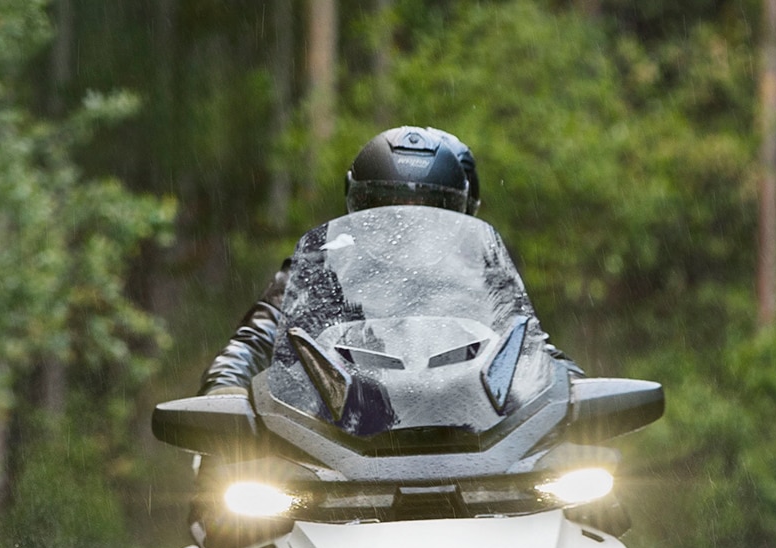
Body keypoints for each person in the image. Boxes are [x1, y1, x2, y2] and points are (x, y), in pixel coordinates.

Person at [201, 124, 571, 397]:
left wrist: (577, 388)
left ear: (457, 213)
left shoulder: (477, 272)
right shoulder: (322, 266)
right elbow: (255, 338)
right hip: (333, 444)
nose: (408, 223)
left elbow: (531, 344)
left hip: (473, 436)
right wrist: (224, 388)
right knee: (221, 486)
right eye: (389, 208)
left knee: (590, 483)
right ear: (361, 206)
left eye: (429, 209)